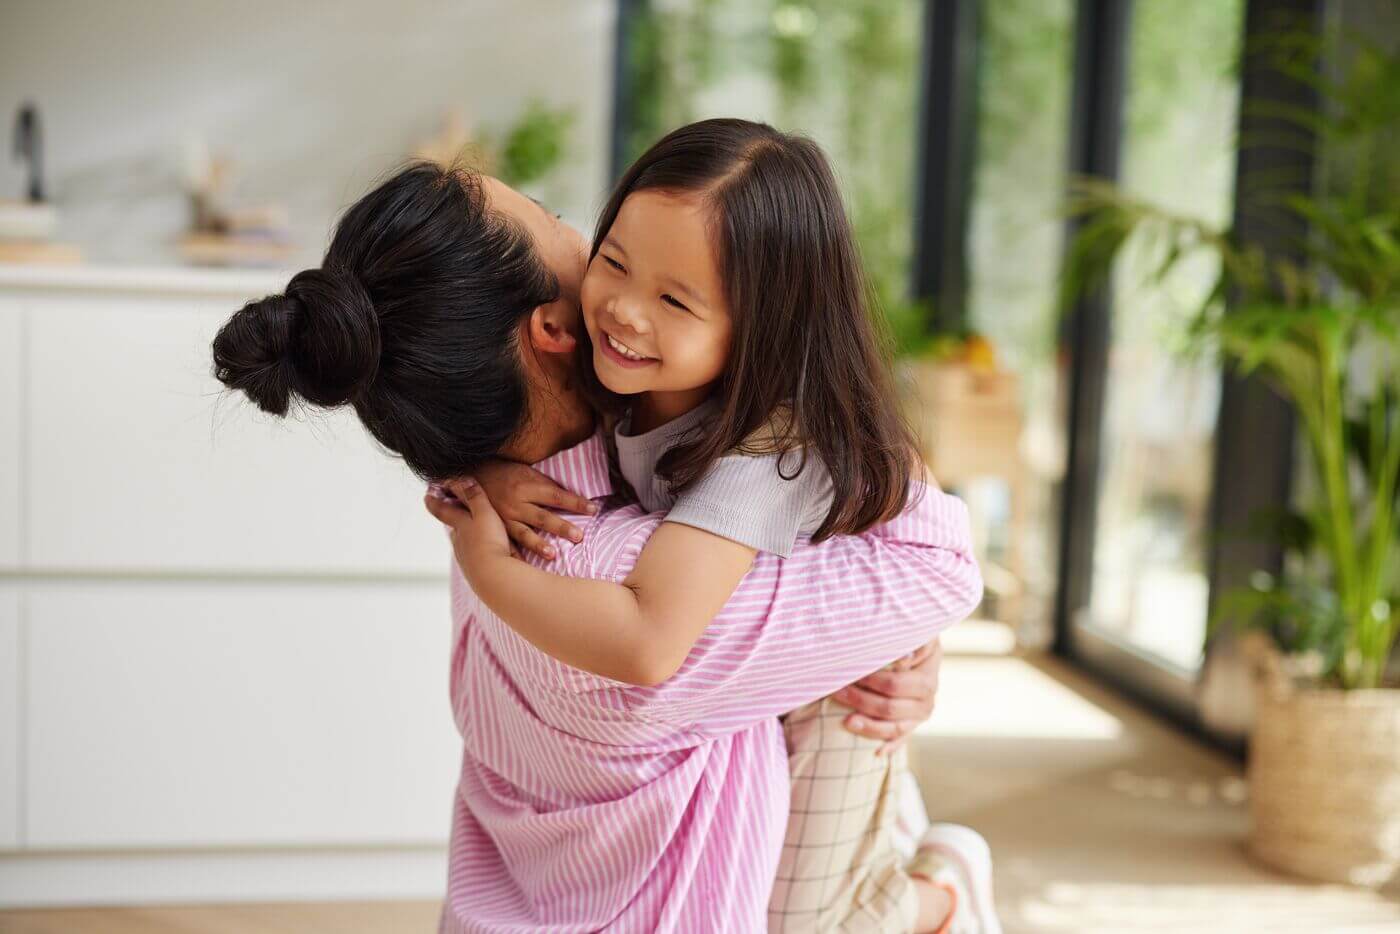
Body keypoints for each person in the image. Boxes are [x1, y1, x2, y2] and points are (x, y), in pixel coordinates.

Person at [211, 157, 987, 932]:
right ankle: (947, 896)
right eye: (563, 227)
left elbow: (860, 475)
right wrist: (897, 643)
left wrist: (479, 468)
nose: (597, 259)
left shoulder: (497, 500)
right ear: (550, 329)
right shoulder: (593, 566)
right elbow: (939, 563)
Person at [448, 119, 999, 933]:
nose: (625, 314)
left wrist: (492, 569)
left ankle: (949, 888)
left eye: (675, 300)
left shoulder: (766, 454)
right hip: (745, 694)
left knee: (813, 922)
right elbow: (522, 418)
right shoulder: (627, 374)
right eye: (614, 262)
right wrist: (493, 470)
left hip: (831, 703)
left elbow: (648, 643)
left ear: (761, 327)